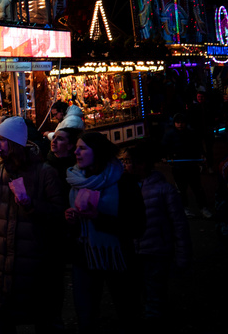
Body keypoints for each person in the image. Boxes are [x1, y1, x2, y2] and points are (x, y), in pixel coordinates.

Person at [0, 116, 67, 334]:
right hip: (2, 254)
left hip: (33, 254)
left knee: (39, 312)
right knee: (4, 315)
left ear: (14, 143)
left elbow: (58, 211)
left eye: (1, 141)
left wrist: (31, 204)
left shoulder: (44, 172)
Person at [65, 132, 144, 334]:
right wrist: (72, 220)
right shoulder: (75, 179)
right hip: (84, 256)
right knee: (86, 315)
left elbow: (137, 225)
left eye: (82, 148)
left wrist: (97, 217)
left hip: (117, 257)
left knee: (127, 311)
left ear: (97, 152)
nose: (76, 152)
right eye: (76, 147)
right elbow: (73, 230)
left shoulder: (123, 182)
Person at [125, 141, 188, 321]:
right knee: (139, 288)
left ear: (142, 164)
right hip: (134, 250)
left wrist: (182, 255)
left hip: (157, 251)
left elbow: (179, 224)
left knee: (155, 290)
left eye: (128, 161)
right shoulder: (125, 187)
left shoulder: (164, 190)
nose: (125, 165)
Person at [164, 111, 210, 217]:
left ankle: (203, 208)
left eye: (182, 122)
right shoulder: (170, 135)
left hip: (191, 164)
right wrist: (166, 157)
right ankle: (185, 208)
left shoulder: (191, 133)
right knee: (181, 189)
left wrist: (202, 156)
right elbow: (164, 148)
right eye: (178, 122)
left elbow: (198, 147)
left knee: (197, 188)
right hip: (178, 166)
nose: (180, 124)